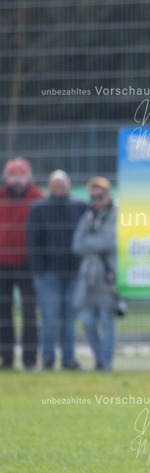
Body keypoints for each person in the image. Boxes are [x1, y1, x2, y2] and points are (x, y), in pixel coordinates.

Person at [26, 170, 87, 370]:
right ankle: (48, 358)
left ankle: (68, 359)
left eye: (63, 185)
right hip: (48, 275)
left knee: (69, 319)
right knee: (50, 318)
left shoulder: (80, 207)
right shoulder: (39, 209)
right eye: (55, 185)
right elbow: (32, 243)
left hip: (74, 274)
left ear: (69, 186)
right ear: (49, 186)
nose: (59, 188)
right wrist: (40, 270)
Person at [0, 157, 45, 370]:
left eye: (20, 175)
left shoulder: (38, 198)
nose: (16, 179)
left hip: (27, 263)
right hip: (2, 263)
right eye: (12, 175)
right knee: (3, 314)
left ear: (29, 176)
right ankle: (6, 360)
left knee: (29, 313)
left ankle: (29, 360)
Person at [72, 177, 119, 371]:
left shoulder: (117, 215)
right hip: (87, 277)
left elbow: (112, 241)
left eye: (100, 196)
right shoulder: (87, 216)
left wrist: (90, 243)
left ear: (108, 196)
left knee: (107, 320)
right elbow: (76, 245)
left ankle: (105, 362)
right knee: (88, 321)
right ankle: (99, 357)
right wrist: (96, 243)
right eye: (93, 197)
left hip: (107, 275)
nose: (96, 201)